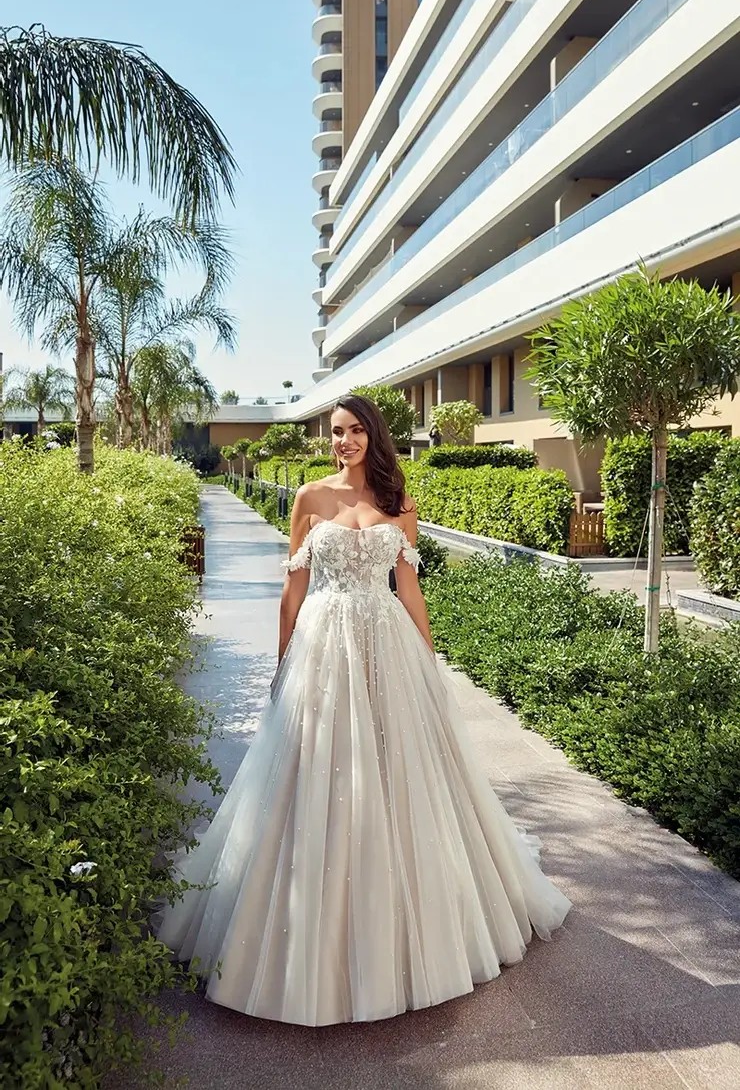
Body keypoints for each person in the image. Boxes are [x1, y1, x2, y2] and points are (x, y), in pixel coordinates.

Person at [156, 394, 571, 1026]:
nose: (342, 441)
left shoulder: (399, 504)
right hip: (323, 649)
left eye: (353, 431)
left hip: (387, 649)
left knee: (394, 768)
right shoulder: (309, 500)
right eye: (335, 433)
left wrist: (429, 665)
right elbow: (290, 596)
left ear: (374, 437)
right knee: (318, 769)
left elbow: (410, 591)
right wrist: (282, 665)